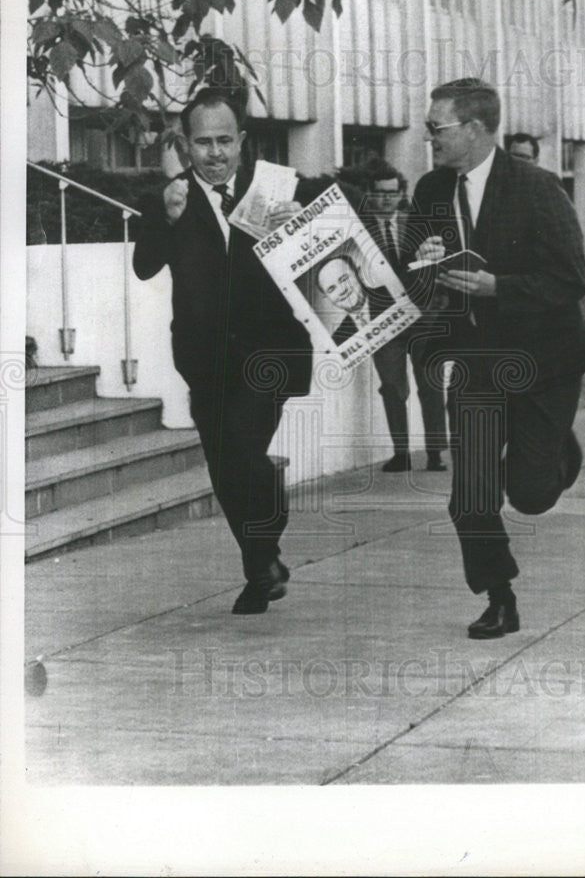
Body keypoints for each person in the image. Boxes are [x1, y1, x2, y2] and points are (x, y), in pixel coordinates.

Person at [404, 78, 585, 639]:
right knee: (470, 494)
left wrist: (499, 287)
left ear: (473, 129)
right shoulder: (430, 191)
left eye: (436, 128)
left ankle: (557, 448)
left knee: (532, 494)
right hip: (473, 362)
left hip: (545, 362)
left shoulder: (538, 189)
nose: (429, 139)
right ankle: (499, 597)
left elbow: (571, 280)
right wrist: (421, 266)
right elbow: (413, 272)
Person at [132, 87, 313, 615]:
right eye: (202, 143)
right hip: (204, 358)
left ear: (243, 141)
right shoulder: (170, 196)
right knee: (225, 465)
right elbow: (144, 267)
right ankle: (263, 566)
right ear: (184, 146)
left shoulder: (279, 188)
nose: (214, 154)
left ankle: (263, 547)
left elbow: (328, 256)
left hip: (271, 352)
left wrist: (302, 227)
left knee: (240, 448)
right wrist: (165, 220)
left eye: (224, 141)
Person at [338, 157, 449, 473]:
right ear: (370, 195)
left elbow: (438, 263)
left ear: (402, 194)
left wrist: (437, 305)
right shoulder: (357, 229)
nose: (386, 199)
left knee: (431, 383)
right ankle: (401, 452)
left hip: (424, 318)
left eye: (392, 193)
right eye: (380, 193)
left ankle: (435, 452)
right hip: (383, 320)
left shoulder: (419, 223)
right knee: (392, 386)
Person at [315, 254, 392, 346]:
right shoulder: (338, 340)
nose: (342, 290)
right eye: (331, 289)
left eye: (344, 279)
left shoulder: (392, 294)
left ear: (358, 274)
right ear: (327, 297)